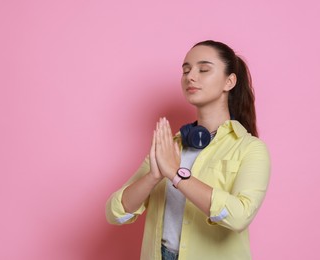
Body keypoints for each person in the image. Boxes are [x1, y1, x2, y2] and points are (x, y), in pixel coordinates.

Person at [105, 40, 271, 260]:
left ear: (229, 81)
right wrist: (154, 176)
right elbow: (115, 213)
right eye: (186, 70)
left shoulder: (251, 149)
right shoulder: (169, 147)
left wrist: (176, 174)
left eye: (203, 69)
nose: (190, 76)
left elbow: (239, 217)